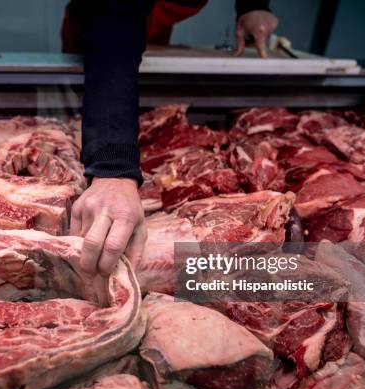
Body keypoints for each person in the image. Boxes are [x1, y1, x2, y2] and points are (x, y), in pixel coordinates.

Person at [64, 0, 278, 276]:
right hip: (102, 26)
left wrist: (252, 5)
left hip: (149, 23)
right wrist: (112, 169)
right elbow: (113, 29)